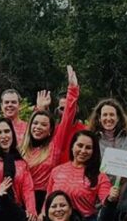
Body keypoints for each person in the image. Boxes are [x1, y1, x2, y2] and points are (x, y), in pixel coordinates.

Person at [21, 66, 82, 211]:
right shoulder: (22, 148)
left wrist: (72, 90)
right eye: (35, 124)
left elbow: (67, 117)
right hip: (22, 200)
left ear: (50, 131)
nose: (38, 127)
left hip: (46, 201)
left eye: (43, 125)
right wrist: (39, 109)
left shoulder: (54, 146)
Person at [47, 130, 119, 221]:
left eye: (88, 148)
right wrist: (43, 214)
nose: (83, 151)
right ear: (72, 146)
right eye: (80, 145)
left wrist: (111, 198)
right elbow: (48, 198)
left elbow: (106, 200)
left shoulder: (99, 176)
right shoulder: (57, 171)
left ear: (94, 152)